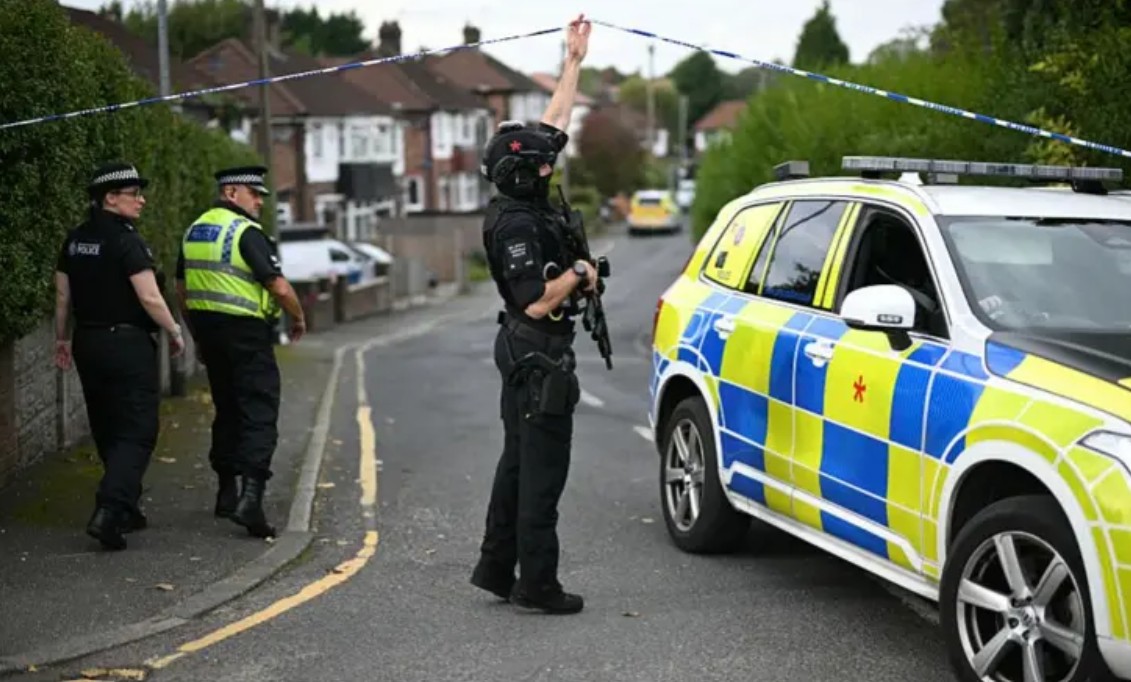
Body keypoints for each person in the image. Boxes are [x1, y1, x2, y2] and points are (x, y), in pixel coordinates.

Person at [470, 14, 597, 614]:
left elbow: (556, 124)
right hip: (535, 349)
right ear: (521, 174)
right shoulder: (518, 224)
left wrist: (572, 61)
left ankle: (497, 569)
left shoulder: (525, 194)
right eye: (542, 166)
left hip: (527, 348)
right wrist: (580, 274)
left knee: (518, 462)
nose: (551, 167)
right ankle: (537, 585)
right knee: (542, 470)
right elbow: (534, 298)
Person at [54, 161, 186, 551]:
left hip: (88, 343)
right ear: (110, 198)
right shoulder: (128, 241)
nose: (142, 200)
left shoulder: (75, 239)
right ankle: (110, 511)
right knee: (138, 431)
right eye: (134, 194)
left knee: (108, 426)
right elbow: (149, 296)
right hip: (126, 345)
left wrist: (62, 339)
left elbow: (63, 297)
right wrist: (175, 330)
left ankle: (126, 507)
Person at [175, 165, 306, 539]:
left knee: (227, 409)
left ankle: (226, 492)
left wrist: (197, 332)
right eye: (255, 193)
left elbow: (181, 289)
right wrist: (298, 318)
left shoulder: (194, 230)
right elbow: (278, 287)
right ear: (232, 193)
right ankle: (252, 500)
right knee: (258, 413)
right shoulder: (245, 232)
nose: (261, 200)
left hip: (210, 333)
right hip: (247, 334)